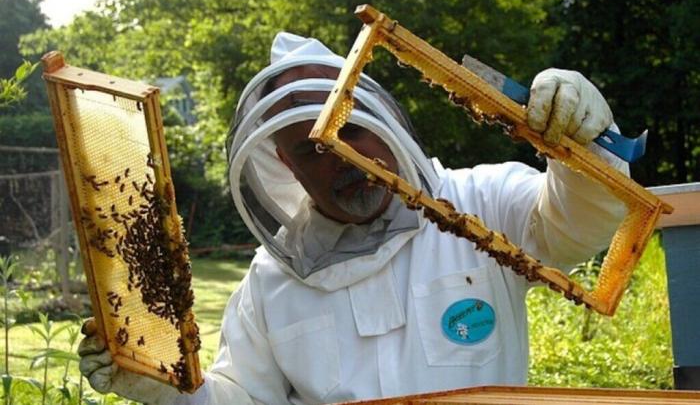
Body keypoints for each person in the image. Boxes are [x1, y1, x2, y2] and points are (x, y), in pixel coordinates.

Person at [78, 32, 628, 404]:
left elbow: (574, 226)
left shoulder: (480, 203)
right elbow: (242, 397)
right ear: (286, 164)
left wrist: (585, 147)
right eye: (314, 149)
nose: (343, 159)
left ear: (381, 120)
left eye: (350, 131)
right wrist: (163, 385)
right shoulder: (271, 283)